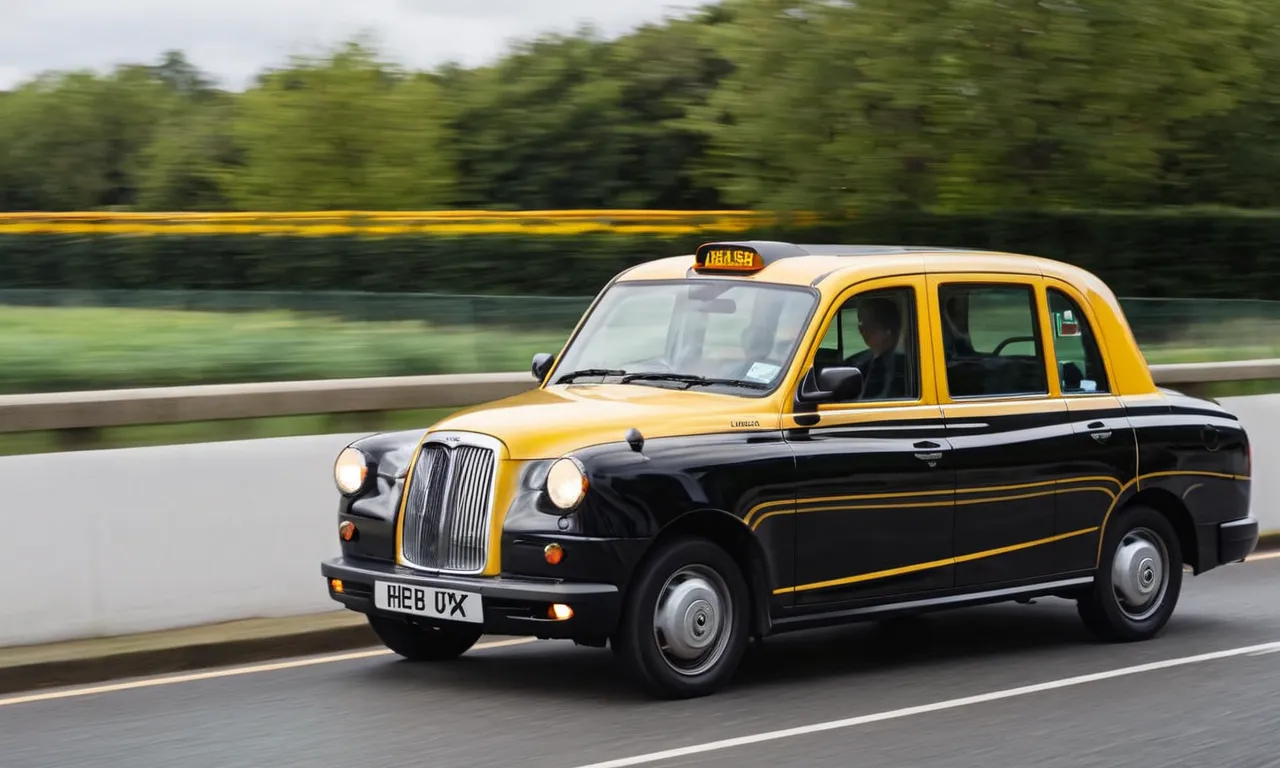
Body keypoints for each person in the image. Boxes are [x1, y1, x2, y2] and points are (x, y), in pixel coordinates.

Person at [845, 296, 906, 400]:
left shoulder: (901, 367)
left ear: (887, 330)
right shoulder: (864, 360)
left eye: (867, 322)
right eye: (859, 319)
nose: (860, 327)